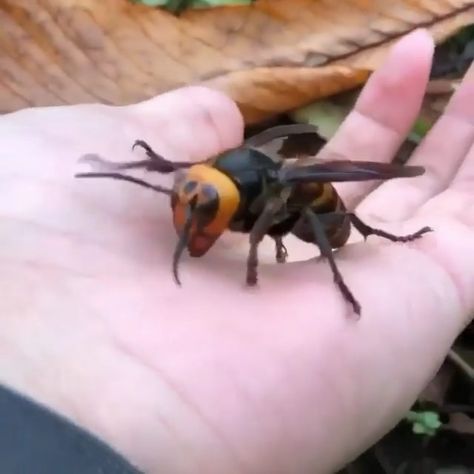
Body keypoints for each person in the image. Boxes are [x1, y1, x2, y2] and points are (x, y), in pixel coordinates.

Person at [0, 28, 473, 474]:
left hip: (318, 213)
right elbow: (200, 178)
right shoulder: (211, 179)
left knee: (315, 210)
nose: (190, 211)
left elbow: (287, 208)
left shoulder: (265, 190)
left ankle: (375, 244)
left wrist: (255, 262)